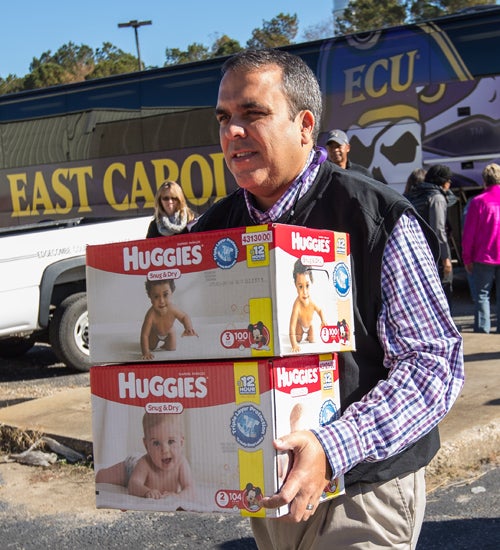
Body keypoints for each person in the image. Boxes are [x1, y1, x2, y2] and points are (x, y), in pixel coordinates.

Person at [190, 48, 464, 548]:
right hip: (268, 492)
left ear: (304, 125)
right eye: (224, 118)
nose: (232, 132)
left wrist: (332, 447)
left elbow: (434, 365)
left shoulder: (377, 215)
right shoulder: (211, 233)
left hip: (363, 490)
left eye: (253, 114)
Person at [96, 412, 195, 500]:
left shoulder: (181, 462)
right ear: (146, 445)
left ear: (181, 443)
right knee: (101, 478)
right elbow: (133, 485)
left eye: (171, 441)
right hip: (132, 467)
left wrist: (178, 496)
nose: (165, 450)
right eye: (156, 443)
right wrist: (146, 492)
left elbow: (190, 489)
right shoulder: (145, 463)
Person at [406, 164, 457, 304]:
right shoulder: (437, 198)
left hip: (417, 254)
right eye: (448, 180)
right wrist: (445, 258)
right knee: (444, 295)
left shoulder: (416, 194)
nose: (449, 184)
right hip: (435, 256)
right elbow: (439, 230)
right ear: (443, 182)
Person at [461, 163, 500, 333]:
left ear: (484, 180)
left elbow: (469, 234)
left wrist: (466, 257)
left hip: (483, 256)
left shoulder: (477, 202)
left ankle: (483, 331)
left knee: (482, 296)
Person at [141, 279, 197, 359]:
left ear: (172, 292)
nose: (161, 301)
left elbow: (184, 316)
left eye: (165, 295)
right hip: (155, 333)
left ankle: (165, 344)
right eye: (156, 297)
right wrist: (145, 352)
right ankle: (155, 343)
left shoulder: (173, 309)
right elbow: (144, 335)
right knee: (151, 347)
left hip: (169, 332)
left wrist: (188, 327)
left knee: (171, 348)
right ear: (150, 296)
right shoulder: (151, 314)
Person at [289, 259, 327, 352]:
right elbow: (292, 326)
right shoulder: (297, 304)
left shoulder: (312, 301)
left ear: (311, 282)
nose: (305, 292)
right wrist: (294, 345)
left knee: (312, 340)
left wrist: (323, 320)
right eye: (300, 287)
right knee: (297, 338)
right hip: (300, 325)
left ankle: (308, 337)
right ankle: (300, 336)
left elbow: (320, 310)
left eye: (307, 285)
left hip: (309, 326)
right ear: (295, 286)